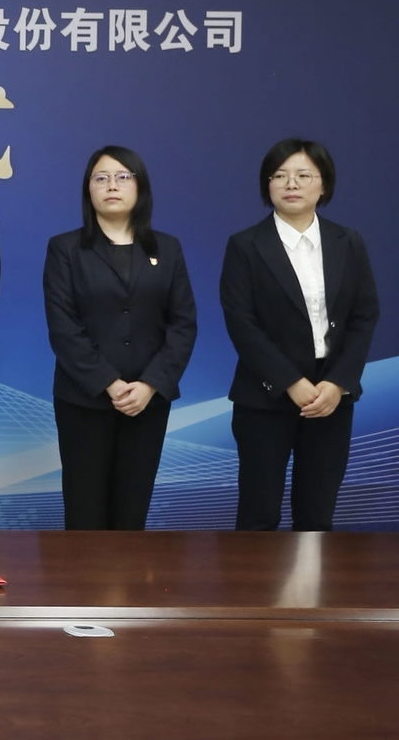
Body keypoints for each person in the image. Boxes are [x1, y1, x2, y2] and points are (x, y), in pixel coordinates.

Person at [221, 138, 379, 531]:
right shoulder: (245, 245)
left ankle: (310, 577)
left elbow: (364, 316)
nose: (291, 183)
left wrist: (338, 383)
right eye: (280, 176)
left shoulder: (348, 242)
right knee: (259, 514)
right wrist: (290, 382)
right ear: (268, 185)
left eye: (303, 175)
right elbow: (241, 322)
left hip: (330, 397)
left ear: (323, 185)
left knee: (317, 515)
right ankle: (256, 578)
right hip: (265, 397)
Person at [44, 147, 196, 530]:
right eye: (101, 178)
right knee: (84, 512)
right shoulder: (65, 249)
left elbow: (183, 324)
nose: (112, 185)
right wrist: (110, 384)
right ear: (89, 189)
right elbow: (63, 327)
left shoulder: (167, 248)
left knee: (132, 512)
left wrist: (150, 385)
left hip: (148, 402)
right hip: (84, 400)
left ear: (140, 187)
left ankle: (129, 576)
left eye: (123, 177)